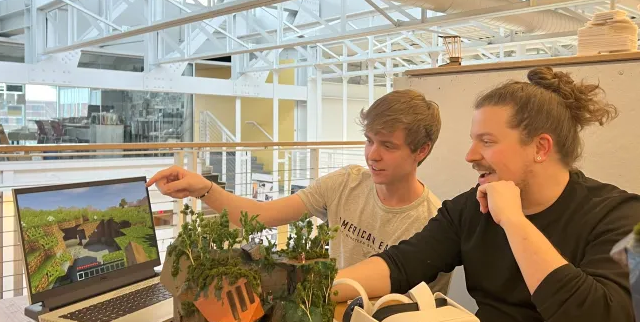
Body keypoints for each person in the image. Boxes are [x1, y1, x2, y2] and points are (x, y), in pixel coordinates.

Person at [332, 67, 640, 322]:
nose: (470, 156)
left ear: (540, 148)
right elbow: (400, 265)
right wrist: (316, 288)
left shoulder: (621, 216)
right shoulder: (469, 209)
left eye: (486, 142)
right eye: (474, 141)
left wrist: (514, 222)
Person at [147, 89, 452, 293]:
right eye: (369, 140)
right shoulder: (346, 183)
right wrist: (204, 189)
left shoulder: (433, 224)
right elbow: (262, 215)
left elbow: (417, 314)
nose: (373, 154)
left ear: (421, 150)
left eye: (388, 146)